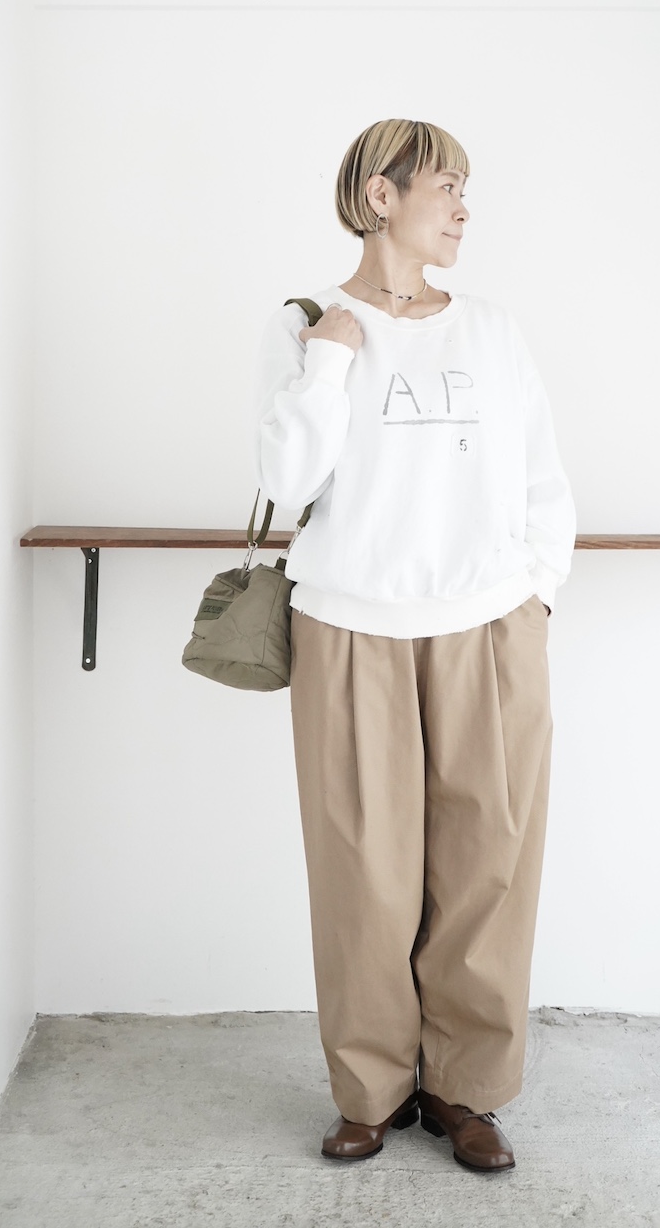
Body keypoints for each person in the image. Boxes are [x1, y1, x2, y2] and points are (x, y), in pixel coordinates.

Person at [252, 118, 576, 1173]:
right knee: (364, 878)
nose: (464, 208)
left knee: (489, 869)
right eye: (447, 185)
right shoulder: (311, 325)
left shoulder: (492, 330)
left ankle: (465, 1091)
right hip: (351, 628)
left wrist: (536, 592)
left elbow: (542, 474)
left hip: (487, 626)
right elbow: (285, 482)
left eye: (466, 188)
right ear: (382, 196)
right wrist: (330, 361)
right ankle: (371, 1091)